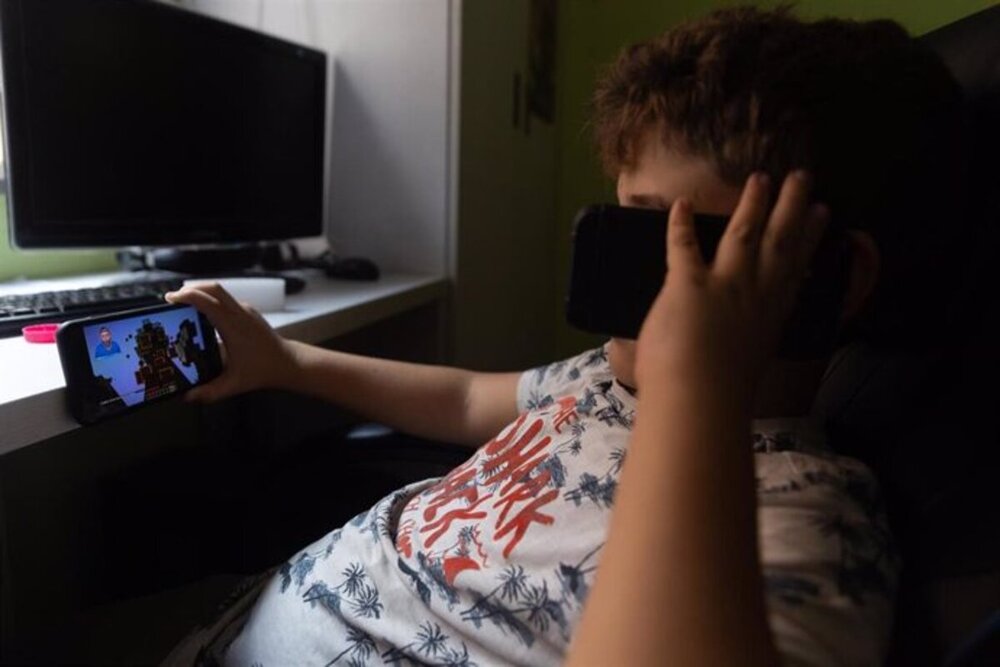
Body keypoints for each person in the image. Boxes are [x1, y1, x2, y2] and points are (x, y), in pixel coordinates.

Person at [164, 6, 963, 666]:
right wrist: (286, 360)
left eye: (661, 241)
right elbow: (470, 394)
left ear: (834, 275)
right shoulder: (609, 376)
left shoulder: (806, 520)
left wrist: (697, 382)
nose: (608, 281)